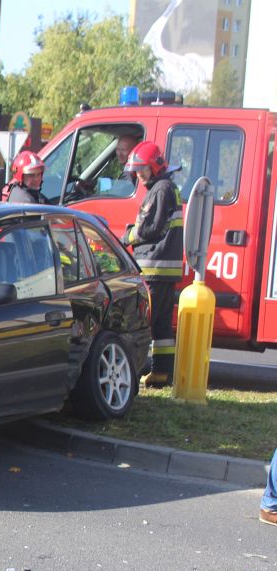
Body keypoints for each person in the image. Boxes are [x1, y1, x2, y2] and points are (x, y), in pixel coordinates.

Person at [121, 140, 183, 387]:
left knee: (144, 324)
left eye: (143, 170)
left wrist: (125, 237)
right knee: (162, 326)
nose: (139, 175)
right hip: (165, 270)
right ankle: (161, 374)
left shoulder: (159, 190)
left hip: (154, 269)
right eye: (136, 171)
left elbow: (146, 229)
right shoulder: (168, 187)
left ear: (155, 167)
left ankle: (133, 375)